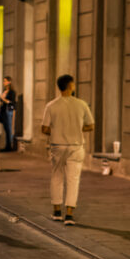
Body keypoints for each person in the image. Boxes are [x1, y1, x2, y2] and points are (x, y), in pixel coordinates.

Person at [41, 74, 95, 225]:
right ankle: (69, 214)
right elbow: (91, 126)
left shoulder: (51, 105)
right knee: (73, 179)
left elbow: (44, 128)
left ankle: (57, 211)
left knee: (57, 176)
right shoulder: (82, 104)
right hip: (76, 146)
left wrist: (57, 131)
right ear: (71, 86)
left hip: (57, 146)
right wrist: (77, 128)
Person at [0, 76, 17, 152]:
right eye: (3, 81)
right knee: (6, 128)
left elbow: (10, 102)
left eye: (5, 81)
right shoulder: (4, 91)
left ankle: (9, 146)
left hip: (9, 110)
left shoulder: (12, 92)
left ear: (9, 82)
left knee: (8, 128)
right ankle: (7, 145)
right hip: (3, 111)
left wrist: (2, 98)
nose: (4, 83)